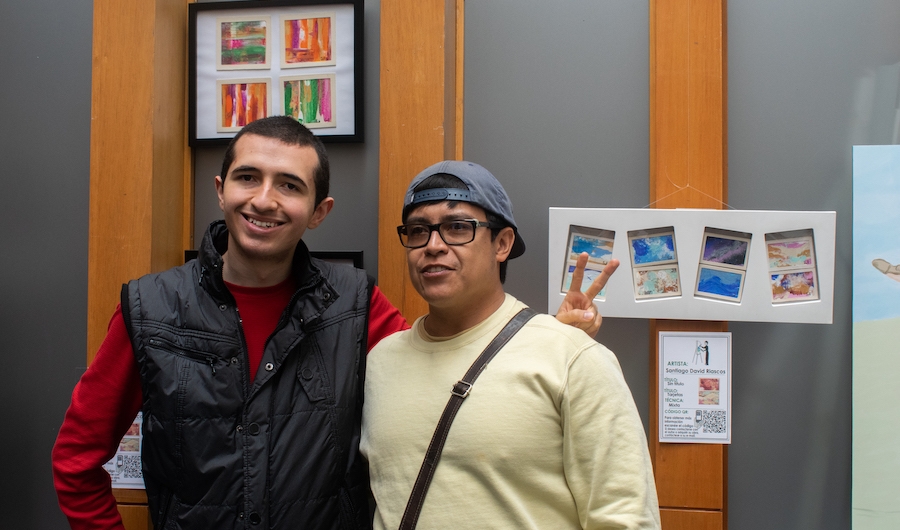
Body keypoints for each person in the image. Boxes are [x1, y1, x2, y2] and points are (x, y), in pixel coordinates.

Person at [51, 118, 613, 529]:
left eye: (290, 186)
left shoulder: (355, 303)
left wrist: (545, 342)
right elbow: (76, 462)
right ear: (221, 191)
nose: (264, 200)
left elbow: (442, 372)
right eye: (248, 178)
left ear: (319, 211)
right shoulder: (150, 308)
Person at [361, 160, 660, 529]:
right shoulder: (380, 363)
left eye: (457, 227)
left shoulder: (571, 358)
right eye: (418, 230)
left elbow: (625, 516)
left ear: (502, 244)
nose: (433, 245)